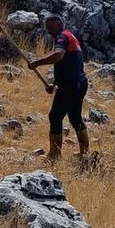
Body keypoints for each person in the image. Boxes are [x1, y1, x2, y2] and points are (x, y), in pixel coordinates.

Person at [27, 15, 90, 159]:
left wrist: (37, 63)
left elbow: (59, 56)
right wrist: (54, 84)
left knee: (55, 116)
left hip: (70, 86)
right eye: (47, 27)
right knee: (75, 118)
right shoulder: (70, 37)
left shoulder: (62, 37)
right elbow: (68, 65)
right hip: (79, 83)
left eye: (50, 27)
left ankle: (54, 155)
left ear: (58, 25)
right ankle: (84, 153)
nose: (48, 31)